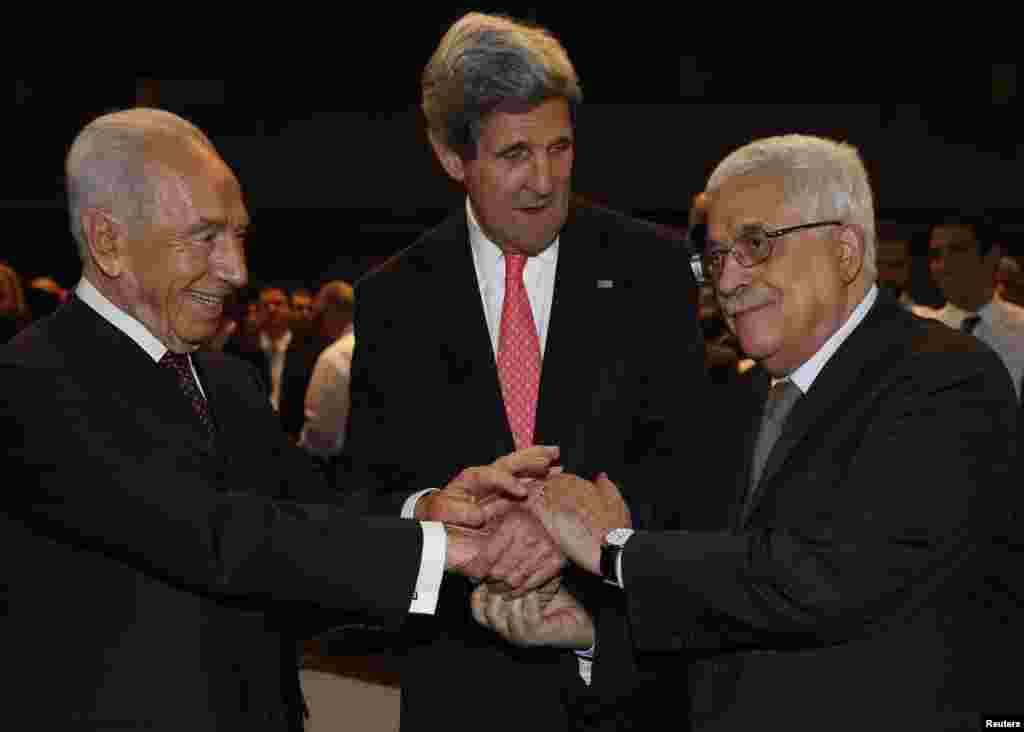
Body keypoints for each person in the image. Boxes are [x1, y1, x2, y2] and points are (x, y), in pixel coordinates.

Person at [0, 106, 560, 731]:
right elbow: (222, 537)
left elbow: (309, 523)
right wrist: (436, 549)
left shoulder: (227, 382)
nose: (236, 270)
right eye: (206, 237)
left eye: (238, 236)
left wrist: (427, 511)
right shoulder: (31, 384)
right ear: (108, 240)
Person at [474, 135, 1020, 730]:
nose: (726, 280)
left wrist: (618, 549)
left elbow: (826, 577)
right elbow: (730, 611)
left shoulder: (946, 378)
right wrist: (591, 637)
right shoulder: (732, 407)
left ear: (844, 251)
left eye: (755, 245)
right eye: (713, 258)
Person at [342, 11, 705, 731]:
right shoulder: (393, 297)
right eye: (514, 155)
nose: (544, 180)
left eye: (560, 148)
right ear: (452, 156)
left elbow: (693, 466)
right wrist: (436, 514)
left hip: (623, 682)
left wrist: (575, 530)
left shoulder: (653, 269)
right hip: (462, 687)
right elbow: (366, 491)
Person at [919, 214, 1024, 399]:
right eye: (936, 255)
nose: (944, 265)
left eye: (957, 250)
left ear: (992, 256)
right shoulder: (917, 330)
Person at [299, 280, 356, 459]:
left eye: (319, 315)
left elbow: (321, 435)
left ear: (332, 311)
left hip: (344, 467)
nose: (319, 325)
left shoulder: (333, 357)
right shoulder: (379, 344)